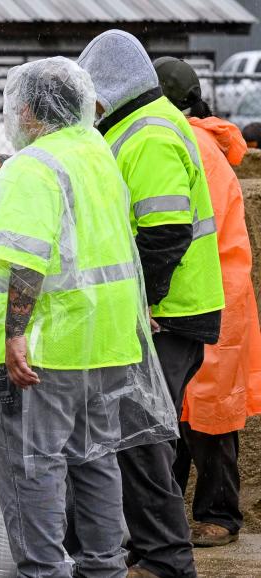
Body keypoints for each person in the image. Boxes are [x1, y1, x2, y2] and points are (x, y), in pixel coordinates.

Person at [0, 56, 175, 577]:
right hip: (106, 345)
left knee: (32, 468)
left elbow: (27, 260)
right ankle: (103, 568)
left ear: (27, 112)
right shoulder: (96, 155)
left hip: (47, 351)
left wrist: (14, 335)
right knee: (95, 460)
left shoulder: (33, 168)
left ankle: (45, 572)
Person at [78, 29, 226, 578]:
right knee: (138, 433)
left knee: (140, 434)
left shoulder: (151, 134)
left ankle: (165, 560)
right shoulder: (134, 129)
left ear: (111, 85)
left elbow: (165, 233)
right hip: (166, 311)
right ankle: (152, 551)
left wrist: (144, 307)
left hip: (170, 314)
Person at [155, 56, 261, 547]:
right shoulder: (190, 138)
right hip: (208, 293)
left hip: (207, 295)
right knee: (178, 410)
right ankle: (172, 514)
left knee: (207, 415)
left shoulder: (185, 143)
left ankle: (220, 516)